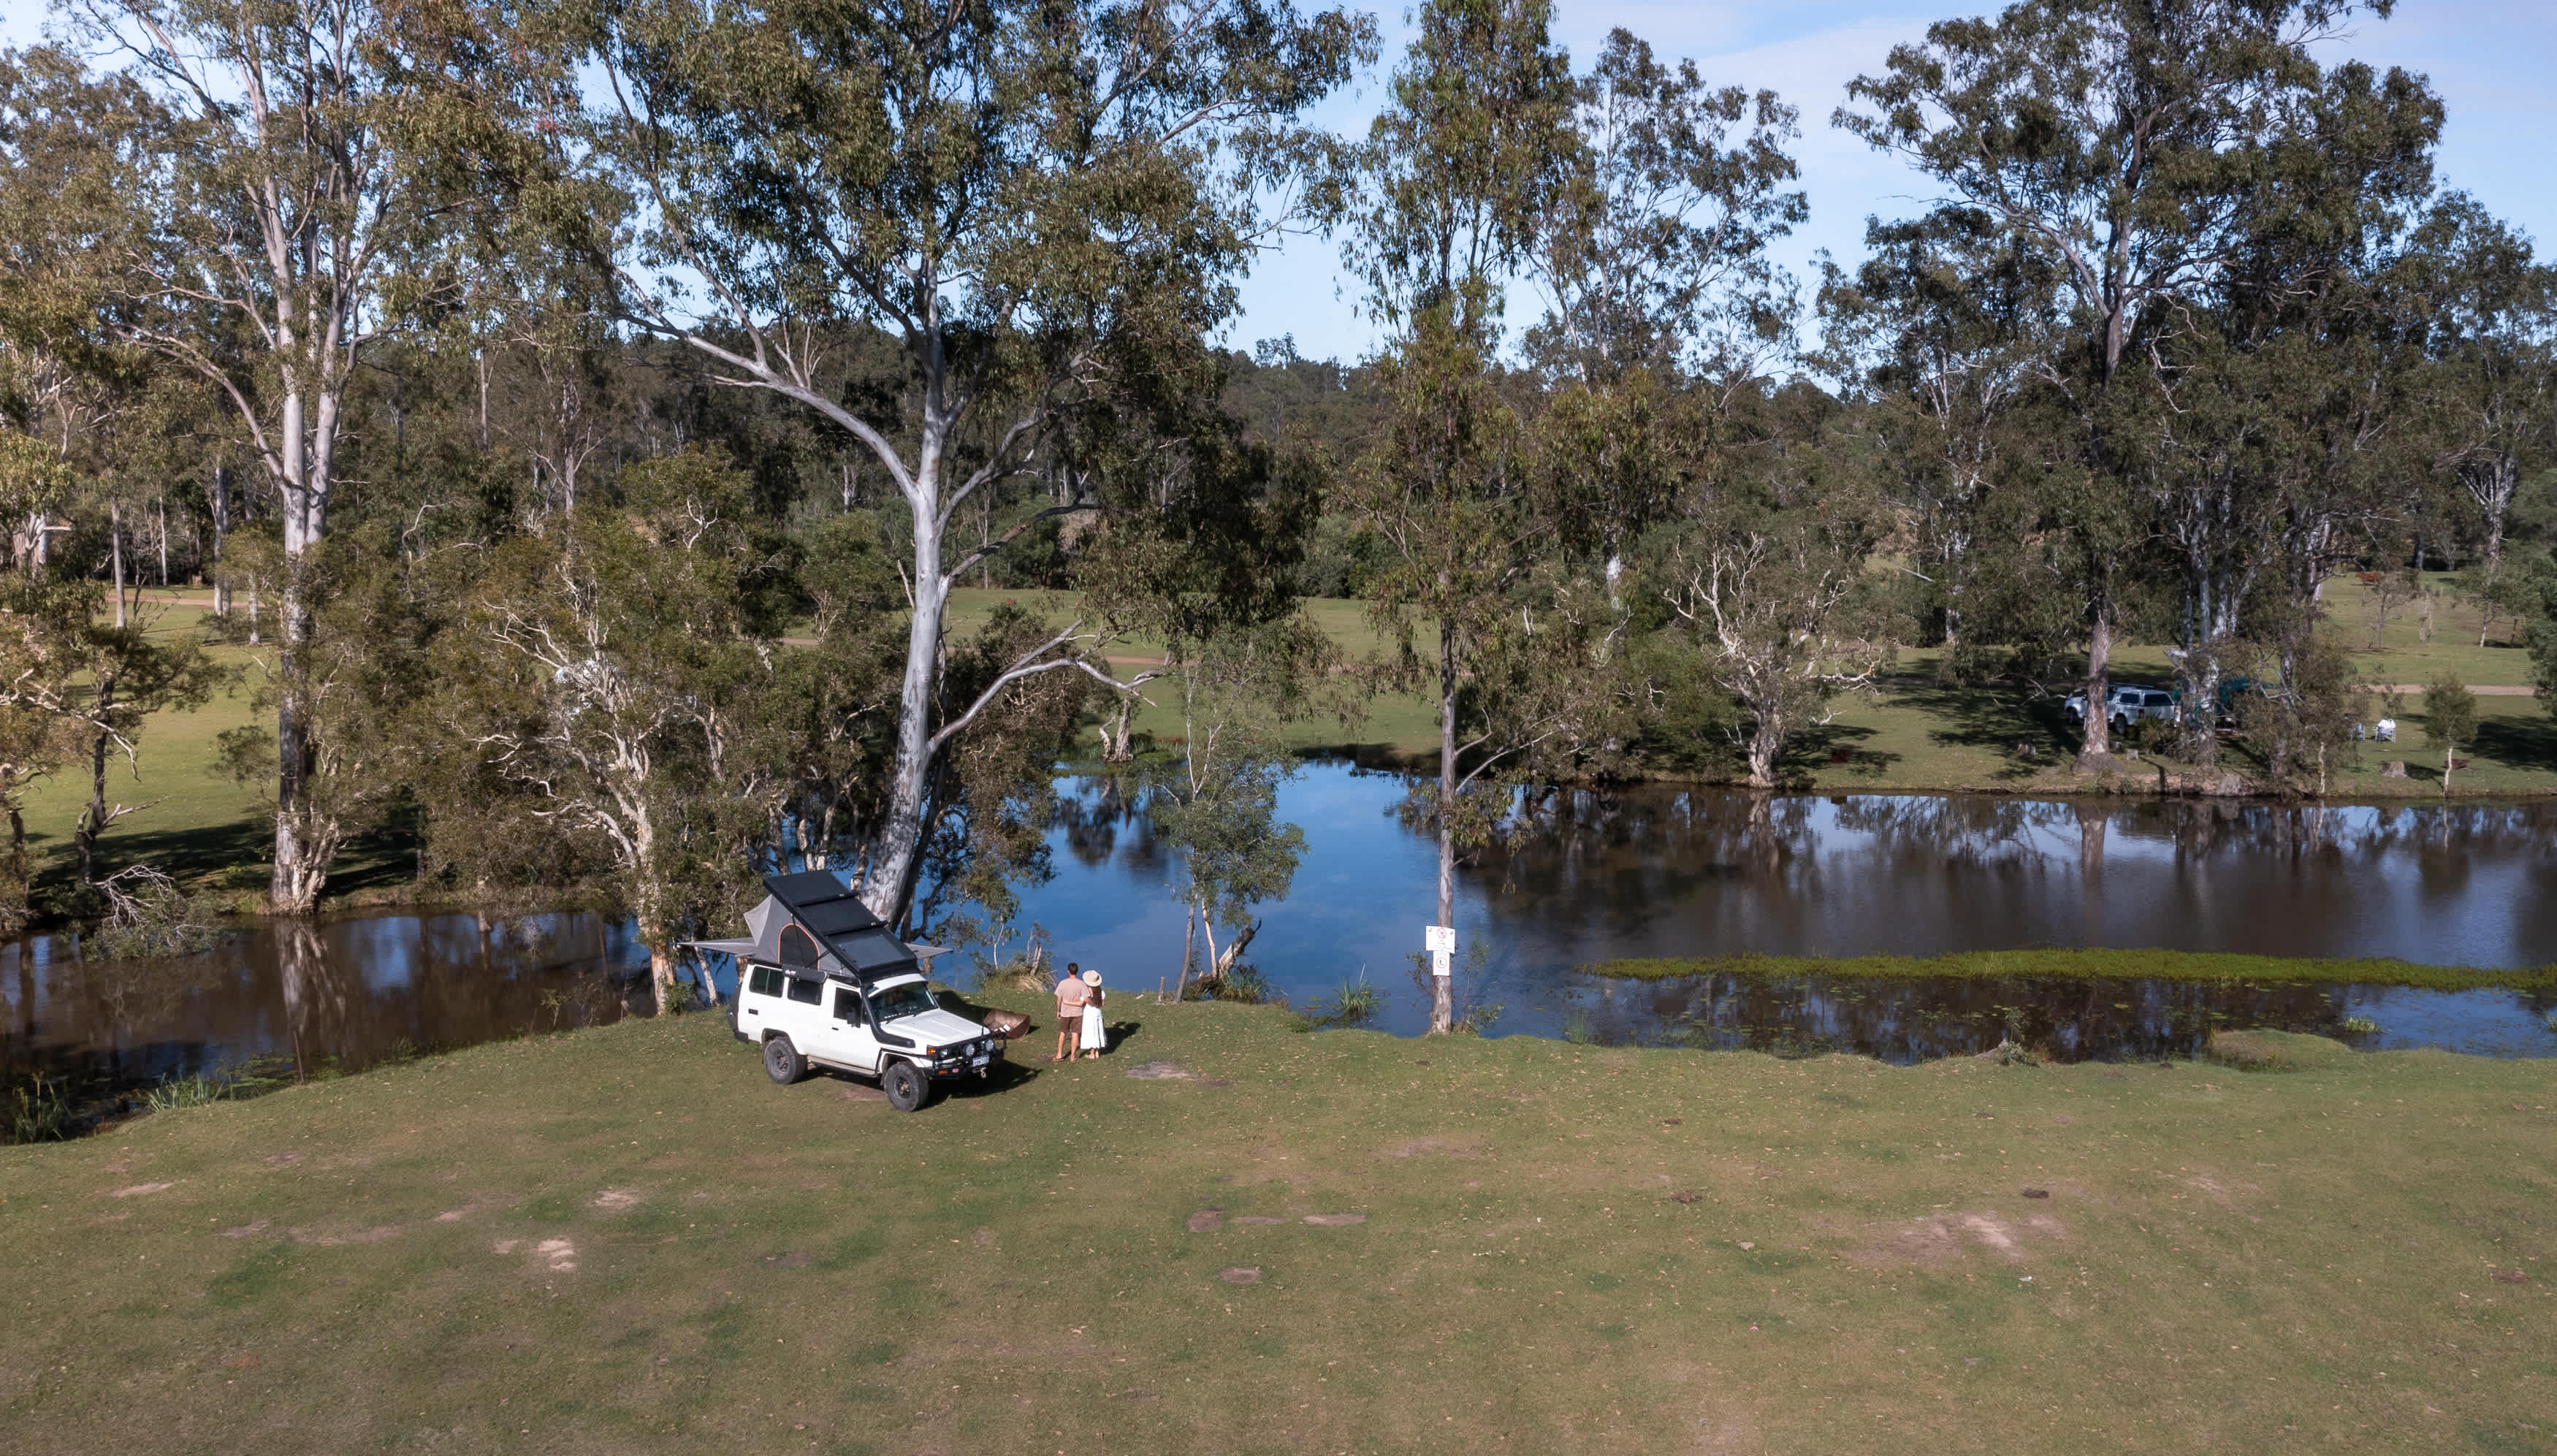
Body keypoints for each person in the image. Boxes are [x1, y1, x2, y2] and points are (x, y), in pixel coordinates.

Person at [1053, 961, 1089, 1064]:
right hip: (1078, 1013)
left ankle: (1059, 1055)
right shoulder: (1081, 984)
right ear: (1077, 971)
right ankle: (1072, 1057)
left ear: (1068, 971)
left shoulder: (1063, 983)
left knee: (1063, 1033)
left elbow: (1059, 999)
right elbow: (1086, 999)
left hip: (1065, 1012)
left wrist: (1058, 1011)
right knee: (1075, 1034)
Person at [1078, 969, 1108, 1059]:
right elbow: (1102, 1004)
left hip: (1089, 1013)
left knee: (1091, 1032)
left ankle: (1092, 1054)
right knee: (1098, 1031)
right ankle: (1097, 1052)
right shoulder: (1101, 991)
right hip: (1098, 1013)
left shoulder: (1086, 992)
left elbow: (1081, 1002)